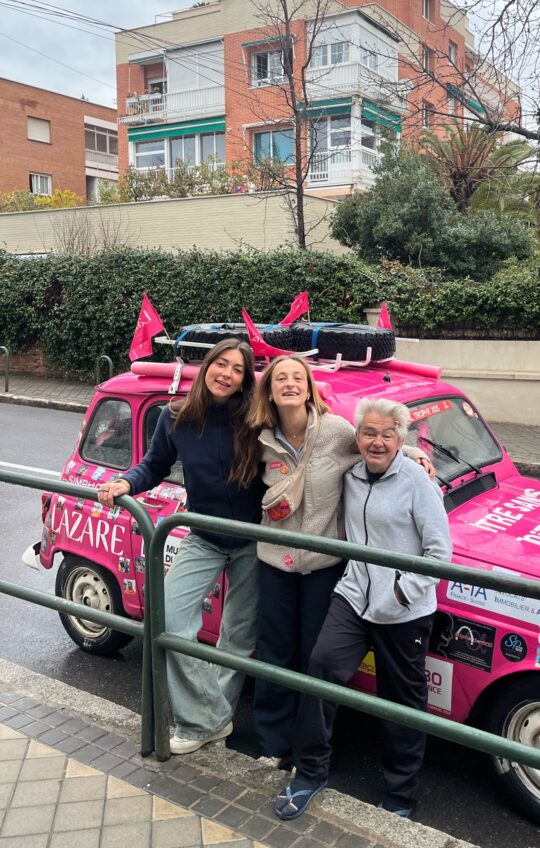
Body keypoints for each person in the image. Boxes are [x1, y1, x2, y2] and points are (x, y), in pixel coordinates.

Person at [241, 357, 433, 769]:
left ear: (309, 388)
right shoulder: (258, 439)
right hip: (275, 560)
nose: (290, 384)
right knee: (274, 654)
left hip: (324, 562)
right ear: (269, 391)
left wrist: (412, 452)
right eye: (280, 378)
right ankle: (274, 744)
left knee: (316, 657)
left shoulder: (335, 431)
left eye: (298, 377)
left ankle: (311, 746)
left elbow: (375, 444)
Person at [273, 397, 452, 822]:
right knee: (321, 670)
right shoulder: (351, 475)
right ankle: (311, 771)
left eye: (387, 435)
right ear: (358, 436)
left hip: (403, 610)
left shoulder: (417, 482)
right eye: (369, 433)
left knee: (402, 701)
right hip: (354, 596)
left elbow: (439, 552)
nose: (377, 442)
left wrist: (403, 594)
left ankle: (400, 795)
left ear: (400, 438)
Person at [97, 338, 264, 755]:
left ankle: (210, 719)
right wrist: (126, 483)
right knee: (167, 619)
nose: (226, 373)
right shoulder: (175, 417)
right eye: (220, 364)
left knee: (238, 637)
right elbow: (154, 465)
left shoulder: (259, 415)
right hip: (204, 535)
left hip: (257, 540)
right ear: (207, 367)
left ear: (246, 379)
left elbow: (316, 433)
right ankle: (207, 717)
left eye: (237, 369)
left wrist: (403, 451)